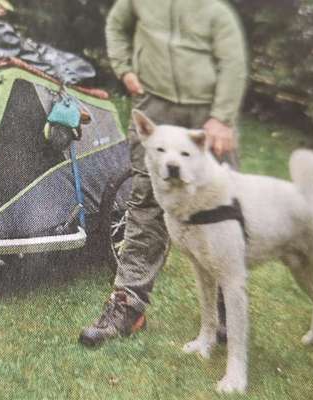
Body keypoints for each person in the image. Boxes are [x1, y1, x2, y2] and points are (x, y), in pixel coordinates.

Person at [79, 0, 248, 346]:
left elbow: (234, 61)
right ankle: (129, 306)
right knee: (145, 205)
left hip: (207, 115)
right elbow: (116, 23)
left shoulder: (215, 10)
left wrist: (222, 117)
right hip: (154, 108)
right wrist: (124, 68)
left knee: (221, 209)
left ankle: (227, 305)